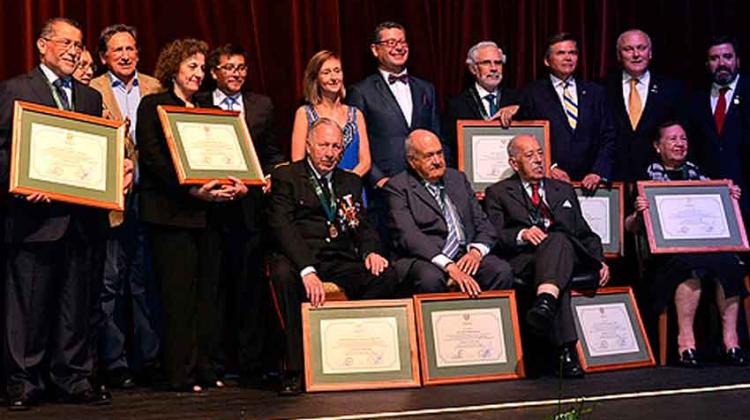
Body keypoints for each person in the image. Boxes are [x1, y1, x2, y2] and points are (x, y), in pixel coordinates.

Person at [0, 17, 131, 410]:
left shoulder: (90, 97)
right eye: (66, 43)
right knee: (29, 307)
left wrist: (118, 171)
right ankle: (24, 382)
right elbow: (2, 149)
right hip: (34, 219)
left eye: (79, 44)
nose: (75, 50)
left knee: (76, 306)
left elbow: (99, 151)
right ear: (42, 45)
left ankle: (73, 378)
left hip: (82, 220)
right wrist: (21, 180)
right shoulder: (16, 89)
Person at [137, 38, 245, 392]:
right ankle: (180, 373)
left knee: (209, 297)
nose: (199, 74)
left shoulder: (206, 109)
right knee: (177, 298)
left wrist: (238, 183)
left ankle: (207, 368)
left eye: (202, 67)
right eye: (192, 67)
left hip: (208, 216)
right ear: (174, 70)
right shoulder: (153, 105)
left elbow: (224, 158)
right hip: (171, 216)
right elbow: (153, 159)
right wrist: (190, 189)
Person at [267, 118, 398, 396]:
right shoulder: (287, 176)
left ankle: (347, 349)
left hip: (337, 257)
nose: (330, 153)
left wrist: (371, 251)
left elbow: (361, 225)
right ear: (308, 145)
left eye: (336, 146)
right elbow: (282, 226)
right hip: (298, 257)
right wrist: (306, 270)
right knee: (281, 273)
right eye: (324, 145)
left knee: (386, 274)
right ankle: (294, 369)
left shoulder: (349, 180)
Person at [194, 43, 284, 387]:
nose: (236, 74)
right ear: (214, 72)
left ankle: (251, 364)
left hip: (249, 207)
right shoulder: (199, 102)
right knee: (213, 287)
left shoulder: (261, 105)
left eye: (241, 67)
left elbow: (272, 151)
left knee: (249, 286)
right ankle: (216, 361)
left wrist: (268, 175)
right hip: (209, 207)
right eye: (229, 67)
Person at [484, 134, 609, 378]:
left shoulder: (562, 189)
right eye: (529, 156)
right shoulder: (498, 193)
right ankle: (564, 349)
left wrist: (600, 259)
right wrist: (522, 233)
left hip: (565, 253)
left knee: (559, 240)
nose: (539, 160)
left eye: (540, 153)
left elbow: (584, 232)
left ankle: (545, 304)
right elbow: (494, 234)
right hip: (526, 259)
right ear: (514, 163)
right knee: (556, 276)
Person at [625, 121, 747, 367]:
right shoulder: (645, 181)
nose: (680, 144)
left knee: (730, 264)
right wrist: (639, 214)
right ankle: (686, 343)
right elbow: (629, 227)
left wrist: (730, 200)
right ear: (657, 146)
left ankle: (731, 342)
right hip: (665, 257)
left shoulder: (700, 176)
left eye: (683, 139)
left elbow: (718, 217)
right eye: (672, 139)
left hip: (704, 249)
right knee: (688, 269)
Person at [89, 23, 163, 390]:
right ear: (103, 57)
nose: (125, 55)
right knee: (109, 282)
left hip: (151, 198)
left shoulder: (155, 87)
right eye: (117, 50)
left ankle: (149, 359)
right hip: (112, 201)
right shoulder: (91, 91)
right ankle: (114, 362)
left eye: (130, 48)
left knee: (144, 280)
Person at [348, 21, 442, 248]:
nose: (398, 47)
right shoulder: (360, 91)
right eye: (390, 42)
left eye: (401, 42)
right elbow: (358, 141)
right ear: (375, 49)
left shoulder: (425, 89)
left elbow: (437, 134)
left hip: (424, 186)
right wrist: (378, 179)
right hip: (383, 189)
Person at [385, 129, 514, 295]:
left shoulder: (457, 178)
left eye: (439, 153)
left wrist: (476, 252)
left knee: (500, 270)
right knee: (430, 279)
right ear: (412, 161)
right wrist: (449, 266)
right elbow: (409, 236)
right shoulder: (398, 187)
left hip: (465, 254)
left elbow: (483, 223)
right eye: (429, 156)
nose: (437, 161)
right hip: (426, 257)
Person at [516, 33, 616, 190]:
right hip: (548, 182)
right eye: (561, 53)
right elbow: (526, 137)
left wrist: (598, 171)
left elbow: (608, 136)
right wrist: (550, 166)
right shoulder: (532, 94)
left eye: (572, 53)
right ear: (547, 61)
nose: (568, 58)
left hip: (591, 186)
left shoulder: (595, 93)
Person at [602, 29, 687, 182]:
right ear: (618, 55)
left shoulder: (672, 89)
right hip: (614, 179)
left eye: (641, 48)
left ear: (650, 53)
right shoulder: (603, 88)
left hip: (658, 177)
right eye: (628, 49)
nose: (636, 54)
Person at [689, 36, 750, 229]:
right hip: (710, 198)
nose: (722, 63)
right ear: (707, 64)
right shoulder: (695, 99)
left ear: (737, 61)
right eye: (715, 58)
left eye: (727, 57)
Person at [290, 50, 371, 177]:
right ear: (315, 78)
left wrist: (348, 182)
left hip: (352, 189)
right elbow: (298, 160)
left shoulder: (356, 114)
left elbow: (365, 161)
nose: (333, 78)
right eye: (326, 73)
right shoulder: (304, 114)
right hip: (317, 190)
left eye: (337, 71)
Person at [444, 41, 519, 149]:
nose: (494, 68)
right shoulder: (457, 104)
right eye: (486, 63)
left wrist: (518, 108)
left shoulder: (517, 100)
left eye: (498, 63)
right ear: (473, 69)